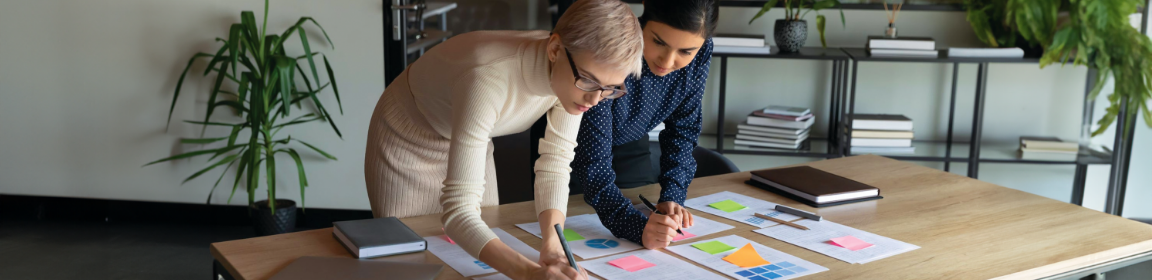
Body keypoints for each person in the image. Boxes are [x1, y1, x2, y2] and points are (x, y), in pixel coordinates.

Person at [363, 0, 643, 278]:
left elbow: (556, 162)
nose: (595, 99)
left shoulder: (573, 77)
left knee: (477, 260)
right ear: (555, 49)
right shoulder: (486, 79)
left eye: (610, 88)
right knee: (415, 262)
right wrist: (528, 273)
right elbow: (459, 213)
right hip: (409, 136)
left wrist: (554, 246)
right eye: (589, 81)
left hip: (474, 133)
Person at [569, 0, 718, 250]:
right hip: (574, 144)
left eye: (685, 52)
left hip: (631, 140)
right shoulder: (611, 46)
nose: (668, 61)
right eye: (659, 42)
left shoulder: (702, 51)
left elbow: (683, 129)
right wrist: (636, 229)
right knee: (573, 227)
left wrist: (673, 195)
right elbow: (592, 163)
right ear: (642, 22)